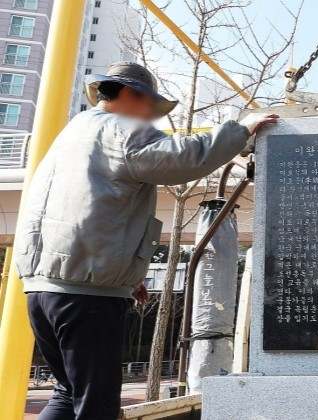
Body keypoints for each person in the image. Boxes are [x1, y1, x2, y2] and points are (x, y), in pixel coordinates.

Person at [15, 61, 277, 420]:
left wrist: (127, 274)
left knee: (67, 394)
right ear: (128, 94)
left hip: (41, 289)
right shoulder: (125, 131)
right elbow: (183, 158)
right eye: (148, 106)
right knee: (97, 406)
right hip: (85, 296)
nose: (150, 119)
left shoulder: (74, 132)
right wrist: (240, 132)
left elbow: (87, 214)